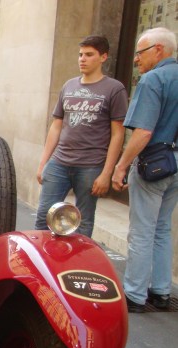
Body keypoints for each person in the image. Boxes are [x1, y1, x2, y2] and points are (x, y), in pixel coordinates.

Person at [111, 27, 178, 313]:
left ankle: (135, 294)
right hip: (175, 164)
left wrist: (121, 166)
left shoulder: (154, 80)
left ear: (159, 50)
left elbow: (143, 132)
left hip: (155, 163)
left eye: (140, 53)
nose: (136, 59)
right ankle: (161, 292)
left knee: (141, 230)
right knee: (162, 228)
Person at [34, 35, 127, 238]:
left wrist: (106, 173)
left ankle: (77, 265)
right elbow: (56, 126)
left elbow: (118, 134)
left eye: (89, 55)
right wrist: (44, 163)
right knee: (43, 217)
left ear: (103, 57)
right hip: (59, 162)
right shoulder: (69, 86)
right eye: (80, 54)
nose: (82, 59)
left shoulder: (114, 89)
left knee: (83, 223)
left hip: (91, 165)